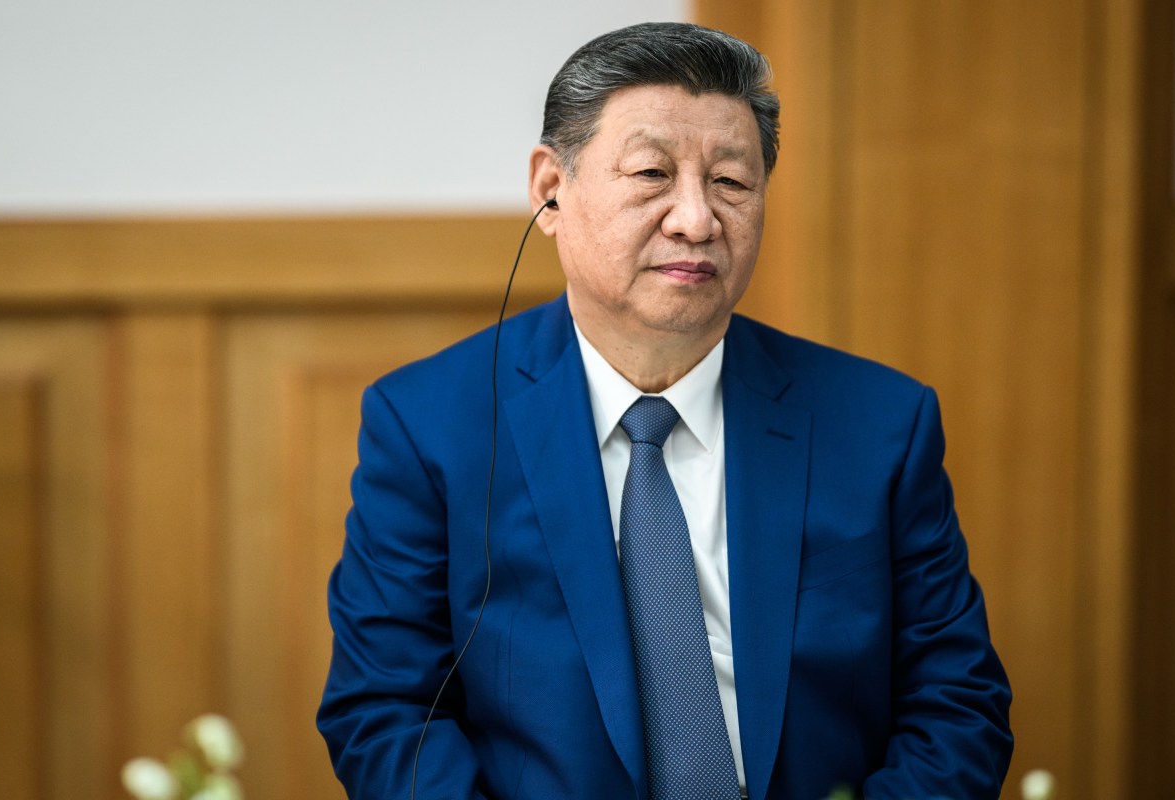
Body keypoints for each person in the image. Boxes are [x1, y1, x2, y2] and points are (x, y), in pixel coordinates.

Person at [317, 21, 1012, 800]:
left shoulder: (881, 423)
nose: (696, 219)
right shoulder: (428, 425)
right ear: (551, 188)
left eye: (732, 182)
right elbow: (386, 713)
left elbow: (957, 705)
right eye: (652, 172)